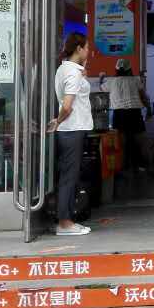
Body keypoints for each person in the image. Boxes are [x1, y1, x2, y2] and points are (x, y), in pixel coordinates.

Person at [47, 33, 92, 236]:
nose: (88, 52)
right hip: (72, 129)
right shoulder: (73, 73)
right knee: (69, 176)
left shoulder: (65, 69)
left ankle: (68, 220)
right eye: (87, 48)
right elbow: (67, 106)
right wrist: (58, 121)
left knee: (69, 175)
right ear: (79, 49)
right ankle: (64, 223)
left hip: (71, 129)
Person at [106, 58, 154, 174]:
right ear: (129, 69)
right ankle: (150, 168)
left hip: (119, 115)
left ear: (116, 69)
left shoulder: (111, 81)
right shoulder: (136, 80)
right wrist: (149, 109)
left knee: (121, 145)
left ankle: (123, 171)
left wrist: (102, 78)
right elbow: (144, 97)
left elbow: (101, 90)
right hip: (135, 113)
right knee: (142, 143)